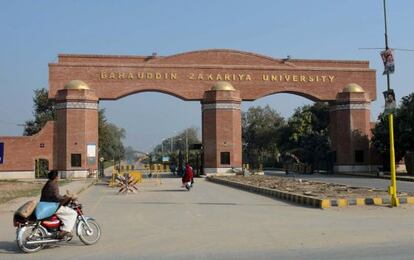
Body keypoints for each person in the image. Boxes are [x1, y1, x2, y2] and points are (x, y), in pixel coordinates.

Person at [40, 170, 77, 239]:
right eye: (58, 176)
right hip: (51, 207)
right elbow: (57, 197)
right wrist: (67, 197)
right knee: (73, 213)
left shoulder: (48, 183)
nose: (58, 177)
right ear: (56, 177)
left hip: (46, 205)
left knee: (65, 212)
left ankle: (59, 228)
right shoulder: (53, 184)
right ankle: (65, 231)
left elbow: (54, 196)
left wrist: (65, 197)